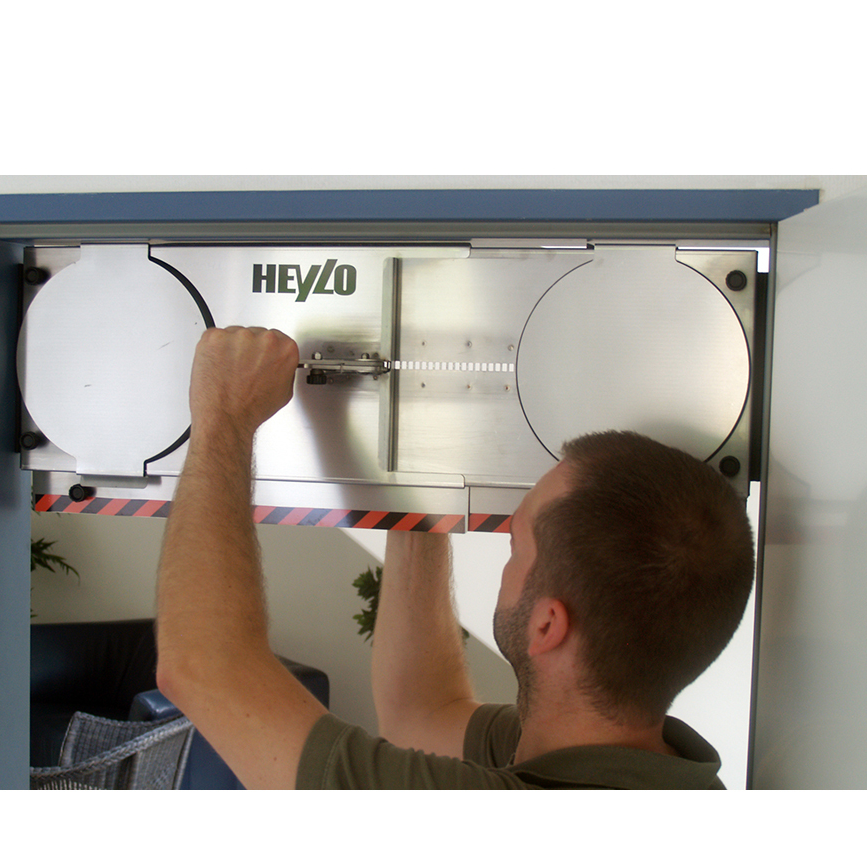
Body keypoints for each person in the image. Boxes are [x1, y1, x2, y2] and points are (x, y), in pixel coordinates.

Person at [156, 326, 756, 789]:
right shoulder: (633, 761)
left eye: (516, 543)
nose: (506, 550)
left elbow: (204, 667)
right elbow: (420, 712)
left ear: (548, 624)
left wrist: (224, 416)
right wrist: (417, 486)